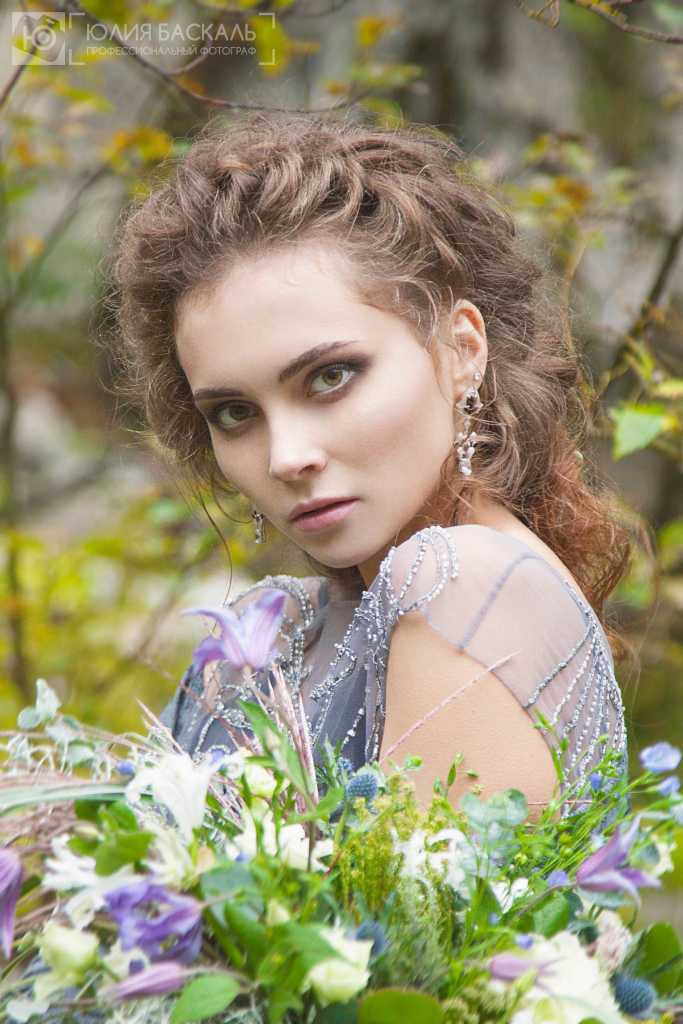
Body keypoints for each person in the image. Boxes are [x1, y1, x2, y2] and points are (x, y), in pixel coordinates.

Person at [107, 112, 632, 816]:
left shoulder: (461, 583)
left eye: (330, 377)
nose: (287, 457)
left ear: (462, 349)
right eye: (233, 412)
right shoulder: (278, 632)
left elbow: (404, 896)